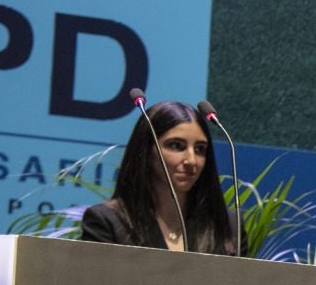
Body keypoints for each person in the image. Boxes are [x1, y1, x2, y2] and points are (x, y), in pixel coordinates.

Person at [79, 101, 237, 255]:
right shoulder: (108, 222)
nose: (191, 160)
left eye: (200, 149)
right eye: (176, 146)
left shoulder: (227, 226)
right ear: (146, 151)